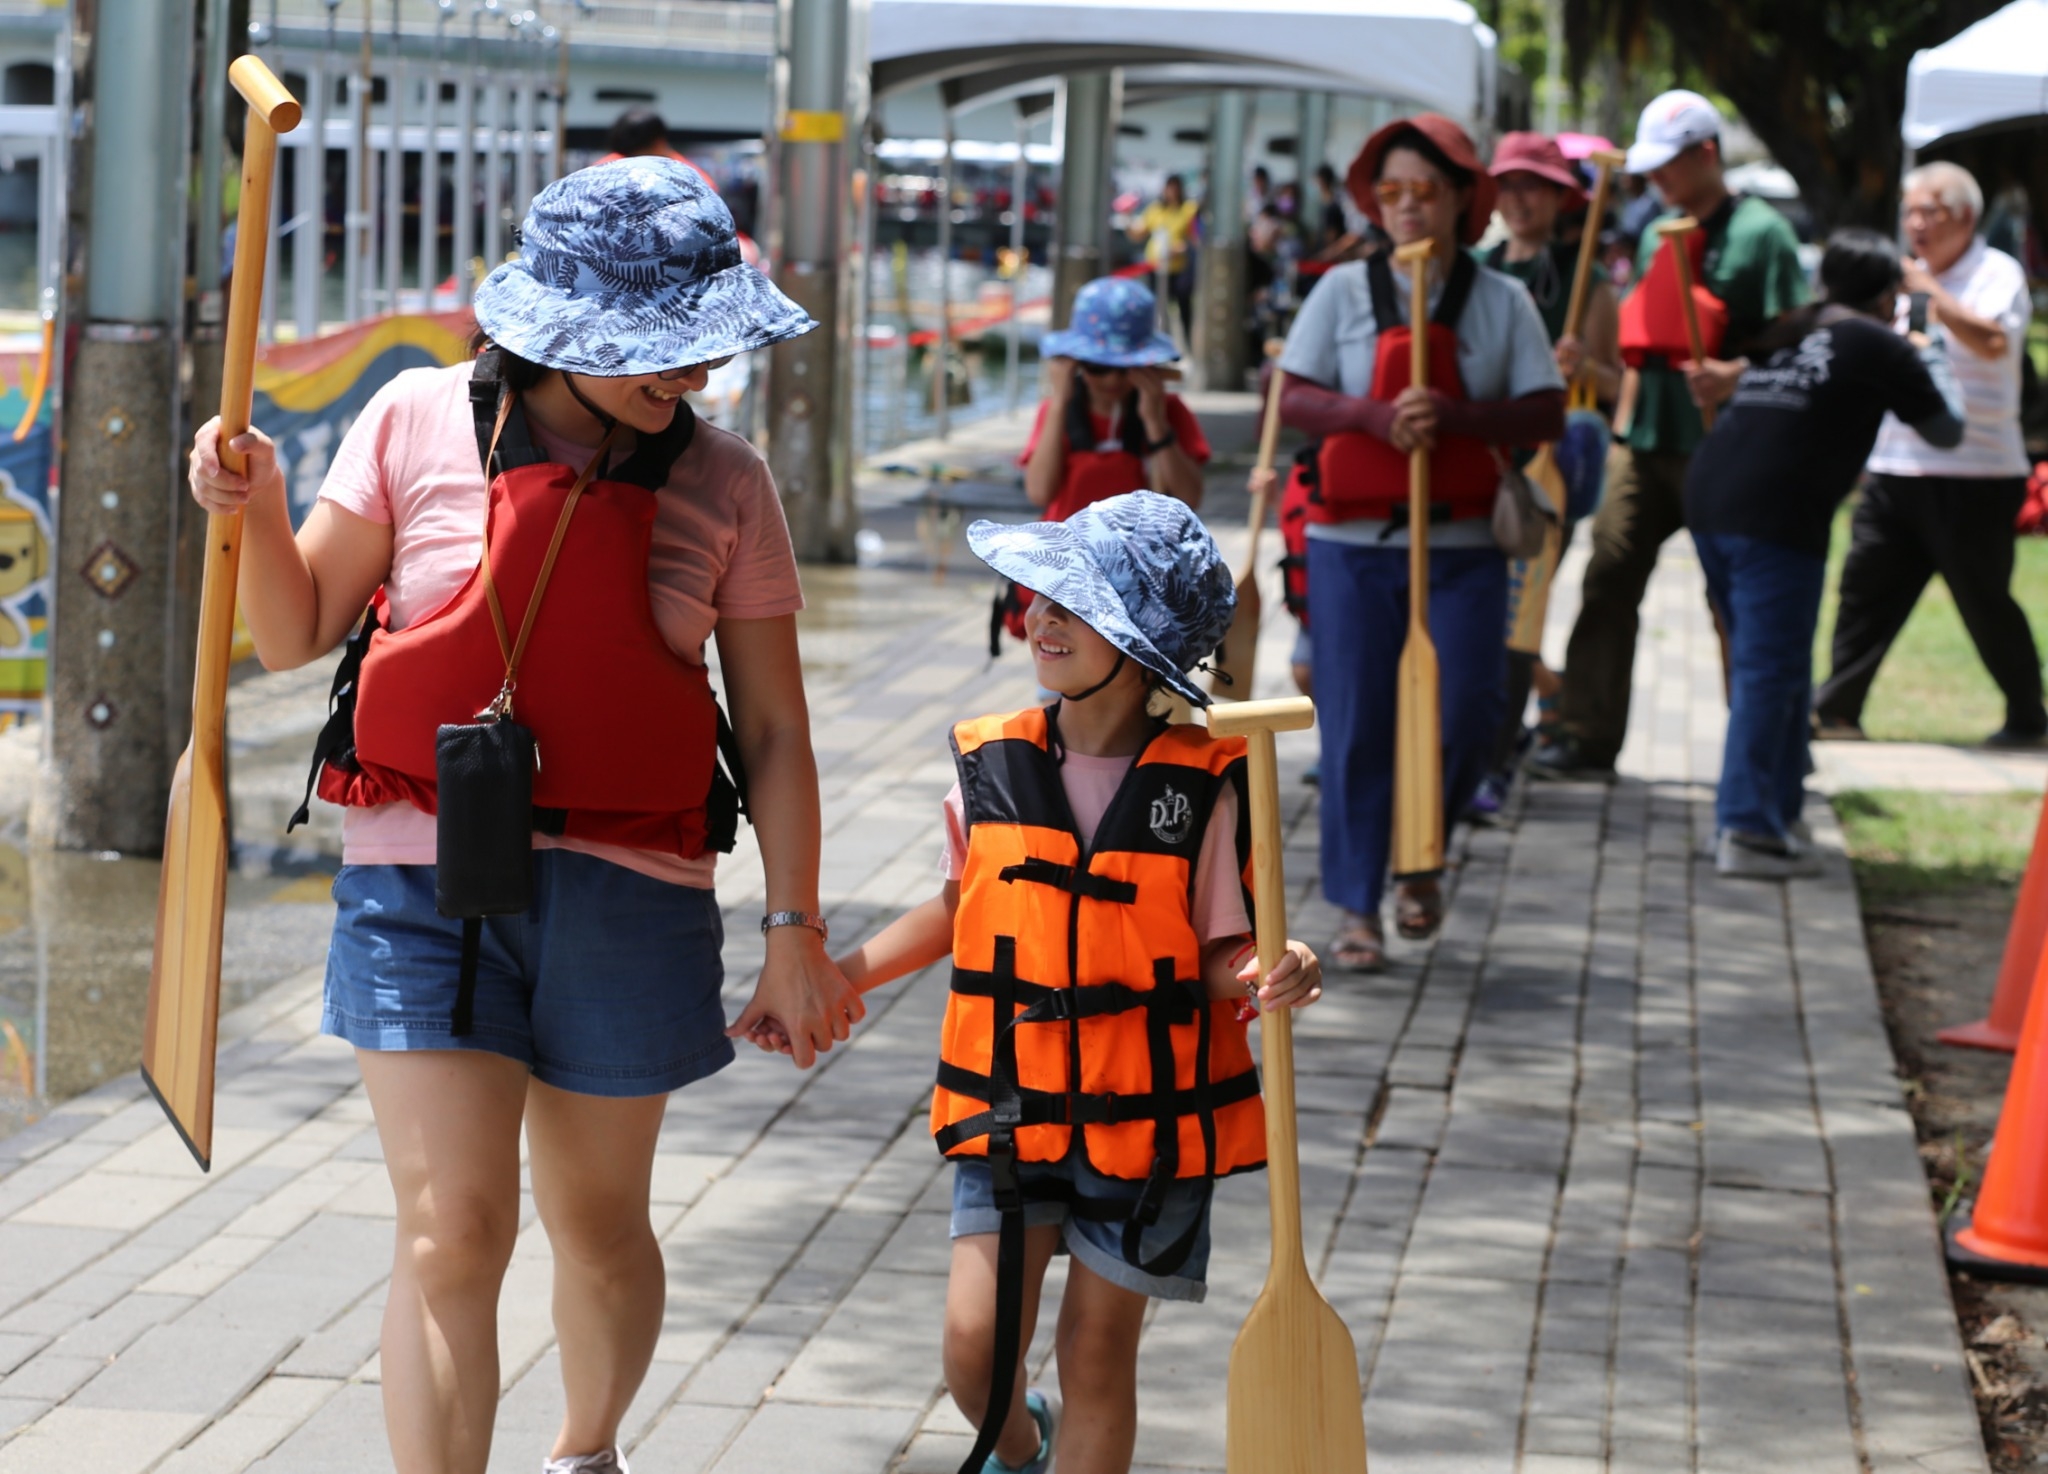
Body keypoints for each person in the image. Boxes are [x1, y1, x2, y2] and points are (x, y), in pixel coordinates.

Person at [186, 161, 863, 1474]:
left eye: (704, 344)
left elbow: (775, 731)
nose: (700, 376)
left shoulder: (728, 482)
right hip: (419, 883)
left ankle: (587, 1448)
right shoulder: (412, 420)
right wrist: (256, 503)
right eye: (669, 347)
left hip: (636, 893)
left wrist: (796, 925)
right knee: (452, 1224)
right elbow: (290, 632)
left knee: (599, 1220)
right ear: (564, 328)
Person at [792, 491, 1323, 1474]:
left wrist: (1266, 969)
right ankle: (1018, 1443)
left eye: (1072, 604)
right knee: (973, 1351)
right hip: (1011, 1102)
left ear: (1141, 643)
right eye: (1037, 594)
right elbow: (960, 909)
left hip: (1148, 1122)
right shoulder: (991, 764)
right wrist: (836, 973)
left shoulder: (1201, 786)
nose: (1038, 614)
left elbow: (1218, 953)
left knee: (1095, 1353)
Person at [1277, 114, 1564, 971]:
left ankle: (1422, 859)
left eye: (1424, 192)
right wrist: (1371, 415)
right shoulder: (1341, 290)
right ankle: (1358, 907)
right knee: (1359, 725)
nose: (1405, 207)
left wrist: (1458, 418)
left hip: (1464, 542)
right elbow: (1293, 396)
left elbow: (1546, 409)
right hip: (1353, 545)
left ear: (1458, 199)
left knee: (1470, 711)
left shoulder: (1500, 300)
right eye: (1390, 192)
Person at [1530, 90, 1807, 780]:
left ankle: (1764, 755)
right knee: (1608, 575)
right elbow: (1641, 338)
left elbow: (1801, 343)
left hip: (1727, 445)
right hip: (1646, 440)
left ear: (1707, 153)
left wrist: (1736, 374)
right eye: (1648, 170)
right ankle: (1588, 736)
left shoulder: (1763, 235)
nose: (1655, 182)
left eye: (1668, 168)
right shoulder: (1655, 234)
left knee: (1734, 600)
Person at [1687, 230, 1964, 876]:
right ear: (1891, 293)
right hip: (1775, 516)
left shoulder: (1796, 326)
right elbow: (1946, 430)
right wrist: (1932, 352)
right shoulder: (1879, 343)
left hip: (1712, 500)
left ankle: (1777, 815)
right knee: (1769, 670)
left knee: (1777, 668)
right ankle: (1748, 830)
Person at [1813, 162, 2044, 747]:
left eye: (1930, 212)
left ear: (1966, 218)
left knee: (1983, 599)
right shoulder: (1894, 273)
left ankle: (2028, 718)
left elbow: (1995, 343)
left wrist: (1930, 295)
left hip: (1976, 472)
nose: (1916, 224)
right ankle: (1836, 710)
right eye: (1910, 212)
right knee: (1864, 590)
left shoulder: (1996, 272)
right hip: (1894, 465)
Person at [1475, 131, 1624, 817]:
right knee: (1468, 615)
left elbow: (1618, 383)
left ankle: (1495, 762)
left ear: (1562, 196)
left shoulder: (1586, 276)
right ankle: (1491, 734)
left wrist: (1583, 367)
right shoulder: (1477, 266)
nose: (1519, 198)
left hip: (1541, 472)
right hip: (1474, 458)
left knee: (1515, 619)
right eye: (1508, 186)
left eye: (1533, 185)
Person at [1021, 276, 1208, 519]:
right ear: (1076, 363)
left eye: (1126, 368)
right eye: (1098, 367)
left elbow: (1190, 499)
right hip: (1068, 551)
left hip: (1140, 553)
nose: (1112, 380)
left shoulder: (1169, 409)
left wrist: (1155, 423)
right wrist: (1059, 404)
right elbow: (1039, 493)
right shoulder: (1056, 410)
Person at [1127, 176, 1199, 342]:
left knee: (1184, 309)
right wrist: (1128, 218)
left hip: (1180, 269)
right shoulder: (1154, 209)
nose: (1172, 192)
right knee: (1157, 309)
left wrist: (1183, 247)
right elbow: (1139, 234)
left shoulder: (1189, 209)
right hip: (1156, 267)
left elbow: (1196, 238)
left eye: (1175, 188)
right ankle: (1159, 341)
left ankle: (1187, 343)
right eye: (1169, 188)